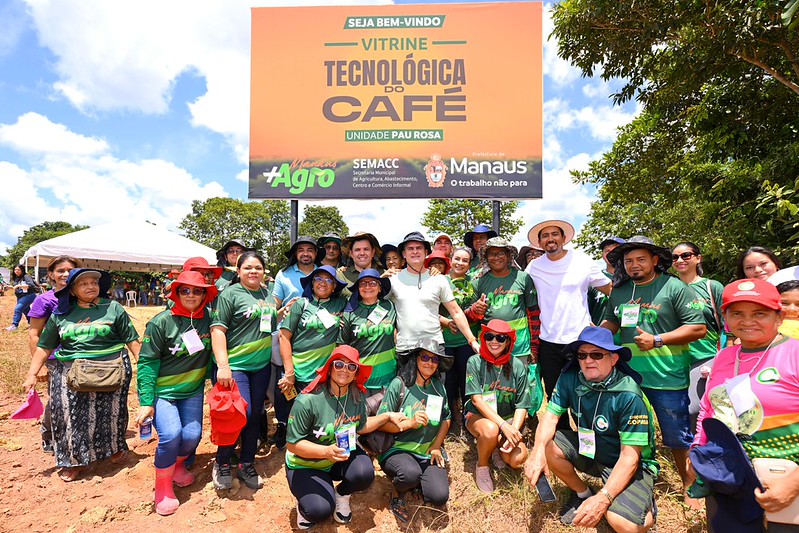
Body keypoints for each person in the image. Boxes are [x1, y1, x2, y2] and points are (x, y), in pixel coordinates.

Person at [601, 235, 706, 504]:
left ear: (655, 261)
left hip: (667, 377)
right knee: (629, 430)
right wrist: (594, 336)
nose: (634, 265)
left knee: (676, 435)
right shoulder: (621, 290)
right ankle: (633, 477)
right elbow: (612, 320)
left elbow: (698, 328)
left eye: (640, 260)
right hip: (628, 377)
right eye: (628, 261)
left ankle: (688, 484)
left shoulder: (674, 286)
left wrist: (657, 339)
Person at [524, 326, 658, 532]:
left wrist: (604, 499)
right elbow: (550, 416)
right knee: (550, 446)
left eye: (596, 354)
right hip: (593, 450)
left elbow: (630, 458)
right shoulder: (570, 377)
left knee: (623, 523)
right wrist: (537, 451)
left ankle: (643, 506)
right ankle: (583, 494)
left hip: (628, 463)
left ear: (613, 359)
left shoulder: (628, 395)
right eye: (582, 355)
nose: (588, 360)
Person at [693, 278, 799, 531]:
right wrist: (697, 448)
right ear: (726, 317)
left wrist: (794, 483)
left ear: (779, 316)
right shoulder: (725, 356)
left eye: (759, 313)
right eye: (737, 313)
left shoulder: (794, 354)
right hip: (728, 476)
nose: (747, 320)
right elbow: (708, 407)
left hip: (784, 478)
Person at [22, 268, 141, 482]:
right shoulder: (61, 313)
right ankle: (74, 461)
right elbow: (44, 346)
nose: (90, 286)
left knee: (112, 413)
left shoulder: (113, 308)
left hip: (111, 367)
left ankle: (113, 449)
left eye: (94, 282)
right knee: (70, 416)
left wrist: (143, 365)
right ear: (73, 290)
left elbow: (132, 339)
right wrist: (32, 373)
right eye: (83, 283)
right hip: (71, 370)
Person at [286, 345, 402, 529]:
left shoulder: (356, 397)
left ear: (356, 373)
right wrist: (326, 451)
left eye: (351, 366)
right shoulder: (307, 401)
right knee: (320, 511)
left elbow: (361, 426)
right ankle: (306, 505)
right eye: (339, 364)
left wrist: (386, 416)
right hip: (305, 463)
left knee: (364, 473)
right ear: (330, 368)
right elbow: (293, 445)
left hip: (337, 457)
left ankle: (341, 494)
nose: (344, 370)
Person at [136, 271, 218, 515]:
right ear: (176, 292)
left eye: (197, 290)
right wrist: (146, 401)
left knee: (192, 436)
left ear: (205, 294)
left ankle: (178, 466)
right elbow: (147, 362)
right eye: (185, 290)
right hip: (164, 392)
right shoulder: (161, 322)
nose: (191, 295)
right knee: (171, 435)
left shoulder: (210, 320)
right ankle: (162, 485)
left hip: (192, 390)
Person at [525, 219, 611, 431]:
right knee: (554, 394)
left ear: (564, 238)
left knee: (586, 391)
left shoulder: (582, 261)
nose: (550, 239)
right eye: (545, 235)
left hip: (580, 341)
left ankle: (590, 438)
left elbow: (611, 291)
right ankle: (563, 439)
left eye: (555, 234)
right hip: (548, 342)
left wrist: (603, 326)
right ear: (539, 242)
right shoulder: (534, 267)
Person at [210, 251, 278, 491]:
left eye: (258, 267)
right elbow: (218, 330)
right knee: (237, 415)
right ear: (238, 270)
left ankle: (247, 462)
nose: (253, 271)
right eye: (248, 267)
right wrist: (223, 366)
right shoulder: (229, 295)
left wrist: (283, 314)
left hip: (260, 368)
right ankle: (223, 461)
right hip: (236, 367)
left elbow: (268, 327)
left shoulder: (268, 294)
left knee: (254, 416)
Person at [376, 340, 452, 521]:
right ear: (415, 359)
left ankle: (418, 482)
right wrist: (409, 423)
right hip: (398, 449)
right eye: (425, 357)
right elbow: (381, 422)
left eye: (434, 359)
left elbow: (446, 418)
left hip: (426, 452)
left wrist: (436, 446)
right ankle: (397, 493)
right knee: (409, 474)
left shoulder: (438, 387)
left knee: (439, 496)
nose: (429, 363)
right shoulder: (399, 385)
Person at [386, 231, 479, 358]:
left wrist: (472, 340)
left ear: (426, 252)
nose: (415, 252)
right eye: (410, 248)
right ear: (403, 253)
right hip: (405, 348)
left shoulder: (438, 279)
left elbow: (456, 312)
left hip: (435, 347)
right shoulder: (393, 280)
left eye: (419, 248)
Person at [465, 319, 531, 493]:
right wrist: (503, 427)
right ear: (483, 338)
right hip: (479, 417)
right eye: (489, 336)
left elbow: (522, 405)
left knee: (518, 459)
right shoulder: (474, 362)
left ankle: (495, 446)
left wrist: (513, 432)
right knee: (491, 430)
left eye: (501, 338)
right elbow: (476, 400)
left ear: (508, 341)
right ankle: (482, 466)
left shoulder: (517, 365)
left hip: (508, 420)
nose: (494, 341)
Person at [27, 255, 81, 453]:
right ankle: (49, 433)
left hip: (80, 357)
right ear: (50, 274)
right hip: (55, 359)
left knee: (80, 397)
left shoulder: (81, 297)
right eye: (60, 271)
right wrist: (38, 365)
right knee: (58, 399)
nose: (65, 274)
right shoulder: (45, 300)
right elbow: (34, 334)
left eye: (70, 270)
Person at [671, 241, 724, 430]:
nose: (680, 260)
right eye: (675, 257)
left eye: (686, 255)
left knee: (697, 409)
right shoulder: (668, 288)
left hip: (704, 356)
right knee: (678, 410)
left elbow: (728, 324)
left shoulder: (712, 287)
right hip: (674, 359)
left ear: (698, 258)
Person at [278, 265, 348, 395]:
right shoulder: (301, 304)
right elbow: (283, 336)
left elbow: (363, 299)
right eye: (318, 279)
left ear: (334, 287)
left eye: (329, 280)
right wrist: (289, 372)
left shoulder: (341, 303)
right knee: (295, 413)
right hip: (299, 373)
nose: (323, 283)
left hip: (325, 375)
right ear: (312, 283)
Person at [470, 236, 540, 360]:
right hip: (490, 347)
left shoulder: (523, 278)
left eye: (501, 253)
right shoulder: (478, 283)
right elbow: (467, 318)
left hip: (519, 348)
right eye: (491, 254)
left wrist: (534, 346)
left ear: (509, 255)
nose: (496, 257)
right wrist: (475, 310)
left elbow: (534, 314)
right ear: (486, 258)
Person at [338, 269, 397, 396]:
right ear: (358, 288)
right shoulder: (350, 313)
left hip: (387, 380)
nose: (368, 286)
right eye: (363, 283)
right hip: (359, 381)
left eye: (373, 283)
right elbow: (343, 346)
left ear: (380, 288)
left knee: (386, 416)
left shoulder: (390, 307)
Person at [440, 247, 478, 432]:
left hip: (467, 342)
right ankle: (451, 421)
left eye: (465, 260)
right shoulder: (440, 281)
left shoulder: (474, 282)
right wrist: (446, 321)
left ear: (470, 264)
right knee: (449, 383)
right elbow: (430, 309)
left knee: (467, 382)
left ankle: (468, 419)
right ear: (450, 259)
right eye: (457, 259)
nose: (460, 263)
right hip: (445, 342)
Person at [588, 236, 626, 327]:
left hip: (628, 336)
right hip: (600, 336)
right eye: (607, 251)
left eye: (616, 250)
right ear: (602, 255)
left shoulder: (635, 279)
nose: (611, 254)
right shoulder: (593, 280)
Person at [7, 265, 38, 331]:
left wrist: (18, 285)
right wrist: (8, 287)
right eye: (15, 270)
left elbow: (31, 285)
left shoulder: (26, 276)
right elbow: (15, 287)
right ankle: (32, 323)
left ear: (22, 270)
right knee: (26, 310)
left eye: (18, 270)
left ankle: (14, 325)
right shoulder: (16, 278)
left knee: (18, 309)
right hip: (20, 296)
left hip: (28, 295)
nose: (16, 271)